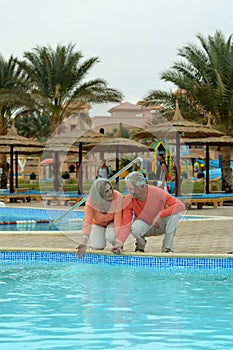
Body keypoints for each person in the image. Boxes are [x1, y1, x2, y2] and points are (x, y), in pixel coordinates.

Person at [112, 171, 185, 254]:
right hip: (145, 227)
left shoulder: (157, 192)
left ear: (142, 186)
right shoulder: (128, 200)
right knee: (134, 227)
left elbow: (180, 205)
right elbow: (126, 223)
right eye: (127, 188)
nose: (129, 191)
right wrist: (119, 243)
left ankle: (167, 248)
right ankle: (140, 247)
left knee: (175, 216)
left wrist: (160, 215)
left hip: (160, 225)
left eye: (131, 188)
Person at [76, 178, 123, 258]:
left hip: (112, 223)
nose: (110, 192)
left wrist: (118, 241)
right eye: (106, 191)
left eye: (111, 188)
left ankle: (118, 248)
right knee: (97, 247)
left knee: (111, 236)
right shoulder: (90, 201)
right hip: (97, 224)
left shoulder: (118, 197)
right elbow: (87, 222)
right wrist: (84, 241)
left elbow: (118, 220)